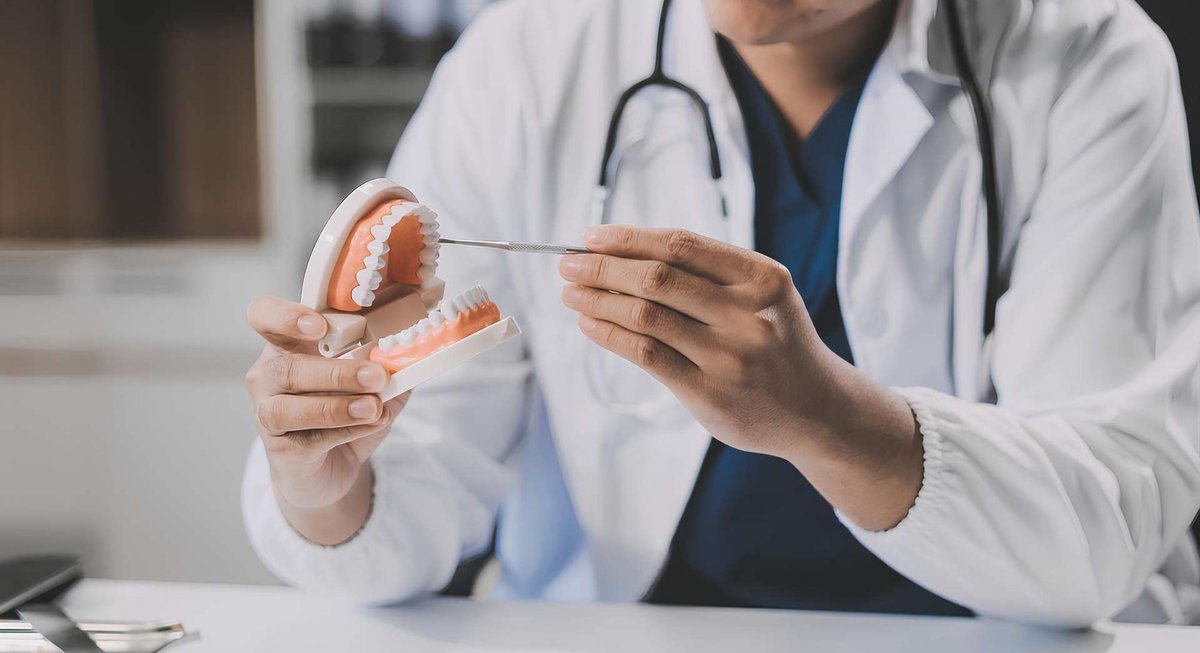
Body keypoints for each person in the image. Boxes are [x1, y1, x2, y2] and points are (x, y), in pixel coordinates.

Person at [241, 0, 1200, 626]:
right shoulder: (527, 61)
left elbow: (1103, 533)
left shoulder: (1089, 59)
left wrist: (827, 418)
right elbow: (423, 480)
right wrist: (328, 490)